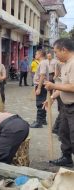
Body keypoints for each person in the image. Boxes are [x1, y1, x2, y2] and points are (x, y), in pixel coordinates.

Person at [44, 38, 74, 167]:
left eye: (56, 52)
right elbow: (63, 85)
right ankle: (66, 158)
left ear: (64, 50)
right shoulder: (65, 63)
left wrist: (53, 86)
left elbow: (73, 87)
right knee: (64, 133)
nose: (55, 55)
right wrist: (52, 97)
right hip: (66, 107)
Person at [30, 50, 49, 128]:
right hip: (42, 85)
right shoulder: (43, 62)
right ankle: (43, 120)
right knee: (43, 102)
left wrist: (39, 88)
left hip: (41, 86)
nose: (35, 55)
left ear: (41, 54)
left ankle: (39, 122)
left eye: (36, 53)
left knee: (40, 103)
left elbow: (42, 75)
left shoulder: (43, 62)